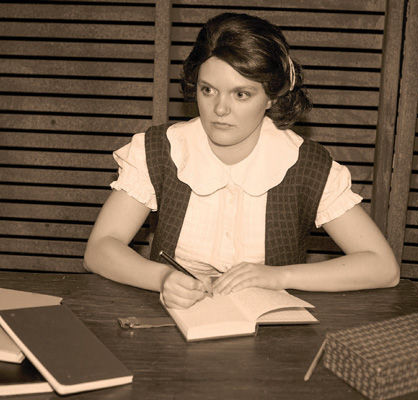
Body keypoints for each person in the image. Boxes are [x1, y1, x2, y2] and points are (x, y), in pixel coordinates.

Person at [84, 12, 399, 309]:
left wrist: (278, 276)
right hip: (170, 323)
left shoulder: (306, 165)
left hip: (270, 339)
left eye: (241, 94)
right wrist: (163, 278)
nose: (220, 109)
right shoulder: (158, 150)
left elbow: (383, 267)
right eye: (208, 90)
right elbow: (100, 249)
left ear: (272, 96)